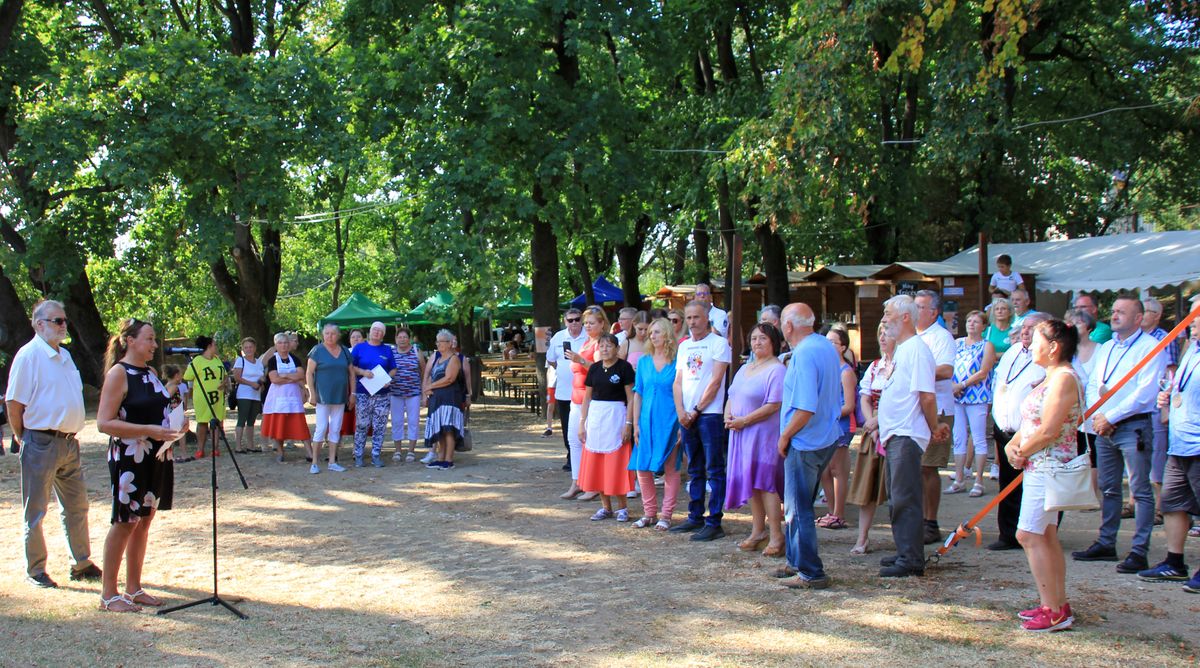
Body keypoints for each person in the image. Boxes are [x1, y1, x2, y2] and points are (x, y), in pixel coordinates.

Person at [5, 299, 101, 589]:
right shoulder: (29, 356)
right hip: (40, 441)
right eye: (57, 321)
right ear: (39, 324)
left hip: (69, 443)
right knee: (35, 510)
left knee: (77, 505)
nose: (63, 325)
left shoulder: (65, 356)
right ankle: (35, 570)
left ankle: (81, 562)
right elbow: (14, 403)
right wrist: (23, 436)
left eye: (64, 320)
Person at [96, 318, 187, 612]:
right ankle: (109, 594)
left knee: (144, 521)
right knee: (125, 521)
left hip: (155, 454)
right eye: (149, 339)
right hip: (129, 456)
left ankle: (133, 588)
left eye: (155, 339)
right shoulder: (118, 374)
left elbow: (158, 408)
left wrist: (175, 424)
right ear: (130, 341)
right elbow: (103, 423)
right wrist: (150, 429)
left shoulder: (149, 372)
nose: (155, 345)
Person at [1073, 295, 1166, 573]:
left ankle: (1139, 550)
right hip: (1103, 426)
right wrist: (1097, 416)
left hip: (1133, 425)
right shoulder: (1107, 347)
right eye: (1113, 311)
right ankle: (1106, 541)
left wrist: (1111, 416)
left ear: (1138, 318)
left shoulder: (1150, 347)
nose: (1114, 316)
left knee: (1139, 489)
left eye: (1121, 312)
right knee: (1109, 487)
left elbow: (1145, 392)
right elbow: (1093, 385)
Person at [1004, 319, 1083, 632]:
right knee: (1045, 535)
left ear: (1053, 346)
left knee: (1029, 534)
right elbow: (1031, 422)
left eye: (1036, 339)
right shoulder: (1049, 377)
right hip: (1038, 463)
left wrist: (1022, 451)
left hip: (1049, 466)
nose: (1030, 344)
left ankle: (1053, 611)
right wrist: (1014, 444)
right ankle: (1055, 603)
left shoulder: (1064, 378)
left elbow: (1050, 429)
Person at [773, 303, 843, 589]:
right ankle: (795, 561)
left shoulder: (803, 354)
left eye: (781, 324)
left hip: (805, 440)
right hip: (824, 437)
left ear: (788, 326)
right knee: (796, 504)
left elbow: (804, 408)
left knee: (798, 508)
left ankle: (811, 571)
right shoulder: (825, 346)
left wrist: (784, 435)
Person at [877, 294, 947, 577]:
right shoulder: (903, 349)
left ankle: (911, 559)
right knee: (897, 496)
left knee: (905, 496)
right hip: (895, 434)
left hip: (907, 434)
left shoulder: (917, 349)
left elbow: (926, 396)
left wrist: (934, 427)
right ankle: (905, 548)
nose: (884, 320)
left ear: (906, 317)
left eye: (888, 314)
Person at [1138, 313, 1200, 591]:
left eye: (1197, 320)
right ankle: (1175, 562)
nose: (1192, 324)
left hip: (1198, 442)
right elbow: (1180, 385)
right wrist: (1168, 395)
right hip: (1180, 442)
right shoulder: (1191, 349)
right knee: (1173, 503)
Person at [670, 301, 732, 541]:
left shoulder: (718, 344)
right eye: (689, 318)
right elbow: (677, 382)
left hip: (709, 415)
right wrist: (680, 411)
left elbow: (715, 382)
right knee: (694, 468)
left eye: (697, 317)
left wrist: (696, 410)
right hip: (686, 415)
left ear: (707, 319)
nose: (693, 322)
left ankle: (714, 520)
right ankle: (694, 516)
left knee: (714, 468)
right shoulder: (684, 347)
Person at [724, 323, 787, 556]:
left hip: (763, 433)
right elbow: (732, 394)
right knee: (752, 483)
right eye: (754, 338)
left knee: (765, 482)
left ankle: (776, 535)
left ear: (774, 342)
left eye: (763, 338)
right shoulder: (744, 368)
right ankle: (757, 530)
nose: (757, 342)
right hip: (740, 432)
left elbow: (773, 405)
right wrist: (728, 416)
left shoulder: (776, 370)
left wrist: (745, 420)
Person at [989, 312, 1050, 550]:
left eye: (1031, 328)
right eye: (1023, 327)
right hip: (1005, 429)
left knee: (1030, 485)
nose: (1025, 331)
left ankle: (1035, 533)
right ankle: (1007, 534)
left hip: (1031, 432)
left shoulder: (1046, 359)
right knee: (1007, 483)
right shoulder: (1013, 352)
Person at [628, 318, 682, 530]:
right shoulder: (644, 361)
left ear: (667, 334)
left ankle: (666, 515)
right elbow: (638, 393)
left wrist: (681, 424)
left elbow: (683, 391)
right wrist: (635, 424)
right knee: (642, 466)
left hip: (670, 418)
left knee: (671, 467)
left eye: (657, 332)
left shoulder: (678, 360)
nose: (653, 336)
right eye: (651, 333)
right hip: (646, 419)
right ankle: (649, 512)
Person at [578, 334, 637, 520]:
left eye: (609, 345)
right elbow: (587, 397)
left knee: (616, 463)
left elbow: (631, 397)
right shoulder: (594, 368)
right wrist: (582, 422)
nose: (605, 349)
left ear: (617, 348)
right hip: (596, 417)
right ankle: (605, 506)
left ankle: (622, 507)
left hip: (616, 416)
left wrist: (628, 423)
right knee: (598, 463)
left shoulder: (624, 368)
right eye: (601, 346)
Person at [915, 290, 955, 544]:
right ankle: (915, 518)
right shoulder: (909, 337)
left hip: (937, 409)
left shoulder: (941, 337)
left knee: (928, 466)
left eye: (920, 307)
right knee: (914, 467)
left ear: (934, 312)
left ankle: (931, 522)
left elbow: (946, 370)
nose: (914, 310)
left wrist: (915, 370)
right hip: (912, 409)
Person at [849, 324, 893, 555]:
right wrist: (871, 424)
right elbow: (865, 398)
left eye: (887, 334)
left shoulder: (903, 364)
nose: (883, 338)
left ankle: (903, 539)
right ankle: (862, 538)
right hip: (873, 433)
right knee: (866, 488)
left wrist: (879, 421)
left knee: (898, 490)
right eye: (880, 335)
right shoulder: (876, 366)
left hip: (895, 430)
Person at [947, 310, 997, 497]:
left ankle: (979, 481)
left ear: (983, 326)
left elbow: (983, 371)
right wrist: (952, 385)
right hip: (957, 395)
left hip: (977, 395)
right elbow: (949, 365)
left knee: (978, 438)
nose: (971, 324)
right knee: (958, 436)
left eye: (976, 321)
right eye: (969, 321)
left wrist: (963, 384)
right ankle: (959, 479)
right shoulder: (957, 343)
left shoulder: (987, 346)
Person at [561, 307, 607, 499]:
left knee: (590, 442)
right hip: (576, 399)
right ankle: (577, 481)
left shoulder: (602, 344)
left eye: (591, 323)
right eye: (586, 323)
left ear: (602, 324)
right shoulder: (586, 342)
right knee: (574, 440)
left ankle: (593, 484)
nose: (587, 326)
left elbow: (600, 369)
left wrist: (580, 360)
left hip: (593, 400)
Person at [815, 326, 856, 530]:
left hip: (840, 425)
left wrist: (827, 413)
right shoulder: (825, 370)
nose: (828, 346)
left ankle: (839, 514)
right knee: (824, 471)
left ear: (843, 347)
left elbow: (849, 405)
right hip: (824, 425)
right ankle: (831, 512)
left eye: (833, 342)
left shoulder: (846, 372)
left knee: (838, 470)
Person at [1144, 298, 1180, 523]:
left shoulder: (1165, 339)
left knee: (1158, 454)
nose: (1142, 315)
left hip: (1158, 404)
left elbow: (1171, 374)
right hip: (1142, 406)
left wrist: (1165, 405)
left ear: (1156, 316)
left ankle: (1160, 506)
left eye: (1146, 311)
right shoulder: (1136, 340)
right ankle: (1135, 503)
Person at [306, 323, 353, 474]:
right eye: (326, 333)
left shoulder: (345, 351)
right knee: (321, 428)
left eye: (333, 333)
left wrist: (353, 394)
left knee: (336, 428)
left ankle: (332, 461)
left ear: (338, 335)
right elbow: (309, 373)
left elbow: (351, 373)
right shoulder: (317, 351)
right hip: (323, 396)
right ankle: (314, 462)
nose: (329, 336)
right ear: (322, 335)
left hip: (340, 396)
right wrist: (312, 393)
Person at [261, 331, 313, 463]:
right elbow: (274, 379)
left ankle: (309, 452)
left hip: (293, 396)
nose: (283, 345)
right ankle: (280, 451)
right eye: (280, 343)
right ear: (276, 345)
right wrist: (291, 377)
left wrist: (284, 375)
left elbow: (301, 375)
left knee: (300, 424)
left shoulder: (295, 359)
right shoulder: (273, 360)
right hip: (277, 397)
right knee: (278, 425)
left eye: (285, 343)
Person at [351, 321, 397, 468]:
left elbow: (393, 369)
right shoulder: (359, 348)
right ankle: (358, 455)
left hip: (382, 394)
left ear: (383, 335)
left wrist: (388, 379)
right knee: (362, 424)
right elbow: (351, 367)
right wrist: (363, 372)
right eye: (374, 330)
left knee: (380, 425)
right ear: (370, 332)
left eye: (380, 331)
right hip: (363, 392)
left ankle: (376, 455)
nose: (377, 332)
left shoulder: (387, 350)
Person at [546, 308, 587, 474]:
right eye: (570, 320)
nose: (574, 323)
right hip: (564, 392)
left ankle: (585, 457)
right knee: (567, 426)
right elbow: (551, 359)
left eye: (577, 319)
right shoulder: (559, 337)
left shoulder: (588, 337)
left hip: (584, 391)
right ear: (565, 322)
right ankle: (571, 457)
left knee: (584, 424)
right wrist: (564, 370)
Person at [423, 329, 467, 470]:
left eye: (441, 341)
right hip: (437, 399)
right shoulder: (438, 359)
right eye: (437, 341)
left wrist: (430, 386)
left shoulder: (453, 359)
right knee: (440, 429)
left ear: (449, 344)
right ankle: (440, 459)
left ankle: (449, 460)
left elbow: (449, 378)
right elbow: (433, 376)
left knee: (449, 429)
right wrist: (429, 389)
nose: (438, 344)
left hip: (450, 398)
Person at [183, 335, 228, 459]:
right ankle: (200, 449)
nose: (216, 347)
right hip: (203, 397)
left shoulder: (217, 359)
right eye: (214, 344)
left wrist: (224, 383)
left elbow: (225, 374)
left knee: (217, 421)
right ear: (209, 346)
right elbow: (187, 376)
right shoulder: (197, 360)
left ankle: (215, 448)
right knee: (202, 422)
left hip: (218, 396)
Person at [389, 327, 425, 463]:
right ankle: (397, 450)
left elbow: (423, 369)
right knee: (396, 422)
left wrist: (423, 389)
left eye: (405, 337)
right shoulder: (391, 352)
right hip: (395, 393)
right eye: (400, 337)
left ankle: (411, 450)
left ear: (409, 338)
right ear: (396, 339)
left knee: (413, 421)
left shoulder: (416, 351)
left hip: (413, 393)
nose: (402, 339)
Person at [231, 337, 264, 453]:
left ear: (254, 348)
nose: (248, 349)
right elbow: (237, 377)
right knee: (242, 419)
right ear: (243, 349)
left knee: (252, 420)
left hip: (256, 394)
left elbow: (261, 375)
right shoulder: (240, 361)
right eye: (246, 347)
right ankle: (238, 446)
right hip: (244, 394)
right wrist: (251, 383)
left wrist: (260, 383)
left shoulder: (259, 362)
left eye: (250, 347)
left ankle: (251, 445)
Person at [341, 329, 364, 440]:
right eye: (353, 337)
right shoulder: (344, 352)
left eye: (358, 336)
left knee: (358, 419)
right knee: (343, 418)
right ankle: (336, 448)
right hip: (347, 389)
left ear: (363, 339)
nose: (355, 339)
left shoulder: (366, 352)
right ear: (349, 340)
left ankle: (357, 448)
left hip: (364, 388)